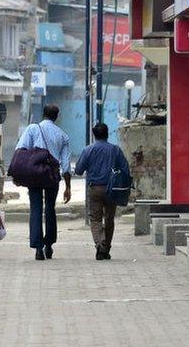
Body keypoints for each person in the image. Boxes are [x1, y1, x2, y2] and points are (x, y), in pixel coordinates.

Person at [14, 104, 71, 260]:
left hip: (34, 174)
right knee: (50, 209)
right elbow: (66, 165)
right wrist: (68, 187)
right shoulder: (63, 136)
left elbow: (21, 149)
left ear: (43, 114)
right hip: (52, 175)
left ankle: (38, 248)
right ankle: (49, 245)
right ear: (56, 116)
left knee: (36, 208)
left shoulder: (33, 129)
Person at [75, 123, 129, 260]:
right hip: (112, 189)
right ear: (107, 133)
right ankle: (106, 247)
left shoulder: (88, 150)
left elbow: (79, 170)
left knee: (95, 219)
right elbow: (125, 169)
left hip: (94, 189)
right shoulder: (115, 150)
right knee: (110, 218)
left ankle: (100, 245)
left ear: (94, 135)